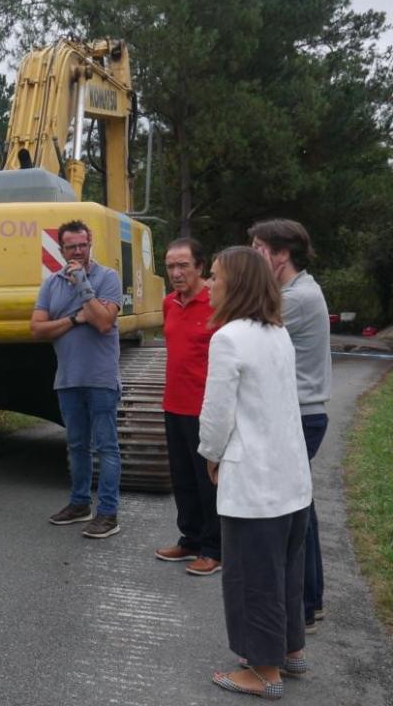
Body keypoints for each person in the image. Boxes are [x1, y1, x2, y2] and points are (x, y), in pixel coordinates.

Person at [199, 246, 312, 700]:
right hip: (290, 477)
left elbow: (217, 414)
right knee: (285, 568)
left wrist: (211, 454)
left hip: (254, 481)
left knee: (251, 576)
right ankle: (290, 650)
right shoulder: (276, 332)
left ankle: (264, 672)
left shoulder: (228, 339)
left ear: (237, 285)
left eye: (214, 276)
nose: (209, 284)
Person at [249, 219, 331, 632]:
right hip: (300, 412)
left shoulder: (295, 298)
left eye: (259, 248)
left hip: (300, 414)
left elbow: (245, 330)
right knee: (302, 511)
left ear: (282, 254)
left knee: (296, 514)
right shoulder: (294, 292)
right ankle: (308, 601)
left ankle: (306, 603)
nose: (254, 254)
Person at [31, 219, 123, 539]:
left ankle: (108, 513)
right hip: (68, 378)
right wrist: (73, 318)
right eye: (71, 247)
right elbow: (37, 329)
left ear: (90, 242)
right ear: (61, 249)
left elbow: (102, 322)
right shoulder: (51, 283)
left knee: (106, 447)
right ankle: (79, 503)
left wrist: (84, 284)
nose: (78, 251)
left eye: (83, 245)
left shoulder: (108, 277)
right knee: (77, 446)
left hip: (100, 378)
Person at [154, 238, 221, 575]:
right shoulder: (169, 303)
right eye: (170, 267)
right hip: (174, 404)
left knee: (206, 479)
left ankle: (213, 549)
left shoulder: (217, 304)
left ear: (200, 267)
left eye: (183, 266)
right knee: (181, 478)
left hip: (205, 407)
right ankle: (190, 539)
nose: (176, 273)